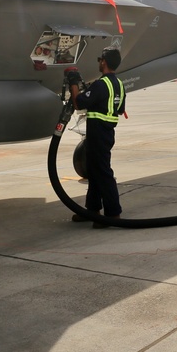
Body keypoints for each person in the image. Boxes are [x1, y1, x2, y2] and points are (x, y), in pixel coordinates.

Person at [68, 47, 126, 228]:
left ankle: (112, 214)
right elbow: (121, 109)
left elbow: (78, 104)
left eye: (100, 59)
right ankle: (92, 210)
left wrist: (73, 84)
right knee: (93, 172)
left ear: (104, 62)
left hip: (99, 133)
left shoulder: (101, 85)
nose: (99, 62)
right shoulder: (118, 84)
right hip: (107, 133)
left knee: (103, 173)